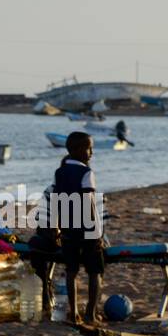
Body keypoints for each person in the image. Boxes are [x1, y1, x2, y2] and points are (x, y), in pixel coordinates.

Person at [50, 131, 105, 324]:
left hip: (67, 229)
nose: (91, 152)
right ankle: (90, 313)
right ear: (79, 150)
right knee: (94, 271)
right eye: (89, 148)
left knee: (71, 271)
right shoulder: (86, 173)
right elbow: (89, 204)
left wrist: (56, 227)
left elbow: (56, 201)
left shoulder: (60, 172)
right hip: (86, 229)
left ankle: (73, 314)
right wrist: (97, 232)